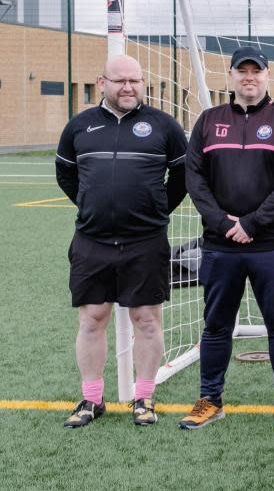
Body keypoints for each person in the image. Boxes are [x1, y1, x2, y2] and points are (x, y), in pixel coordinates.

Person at [55, 54, 187, 427]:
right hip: (92, 240)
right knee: (93, 319)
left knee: (147, 320)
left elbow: (181, 177)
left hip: (145, 241)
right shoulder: (79, 126)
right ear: (102, 83)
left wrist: (155, 209)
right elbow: (67, 175)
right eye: (119, 81)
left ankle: (143, 398)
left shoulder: (164, 126)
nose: (128, 87)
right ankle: (91, 400)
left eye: (135, 80)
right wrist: (92, 205)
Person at [182, 46, 274, 430]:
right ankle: (210, 399)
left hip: (273, 245)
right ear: (232, 76)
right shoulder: (208, 120)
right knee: (216, 325)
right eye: (243, 71)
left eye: (256, 71)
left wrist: (252, 223)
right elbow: (194, 179)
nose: (249, 77)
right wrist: (222, 223)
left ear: (268, 76)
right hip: (220, 246)